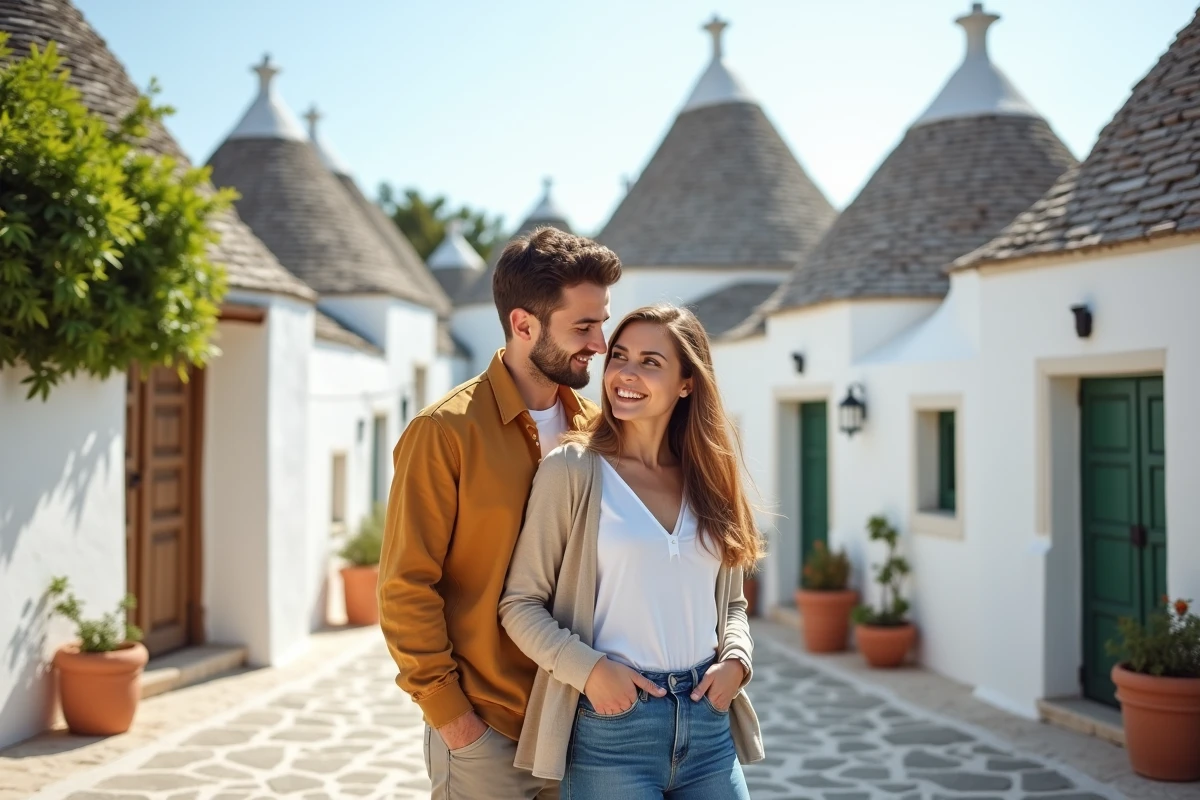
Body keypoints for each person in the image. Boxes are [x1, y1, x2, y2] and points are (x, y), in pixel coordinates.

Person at [378, 226, 622, 799]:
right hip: (487, 733)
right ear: (523, 324)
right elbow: (405, 587)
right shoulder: (444, 432)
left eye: (602, 322)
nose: (600, 343)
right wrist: (455, 723)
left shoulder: (600, 431)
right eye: (583, 326)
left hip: (584, 727)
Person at [499, 304, 765, 799]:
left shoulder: (710, 476)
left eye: (650, 362)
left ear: (686, 383)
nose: (625, 373)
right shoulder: (573, 470)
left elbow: (731, 604)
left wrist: (737, 661)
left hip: (708, 728)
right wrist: (591, 672)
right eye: (619, 356)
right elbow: (519, 604)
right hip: (612, 732)